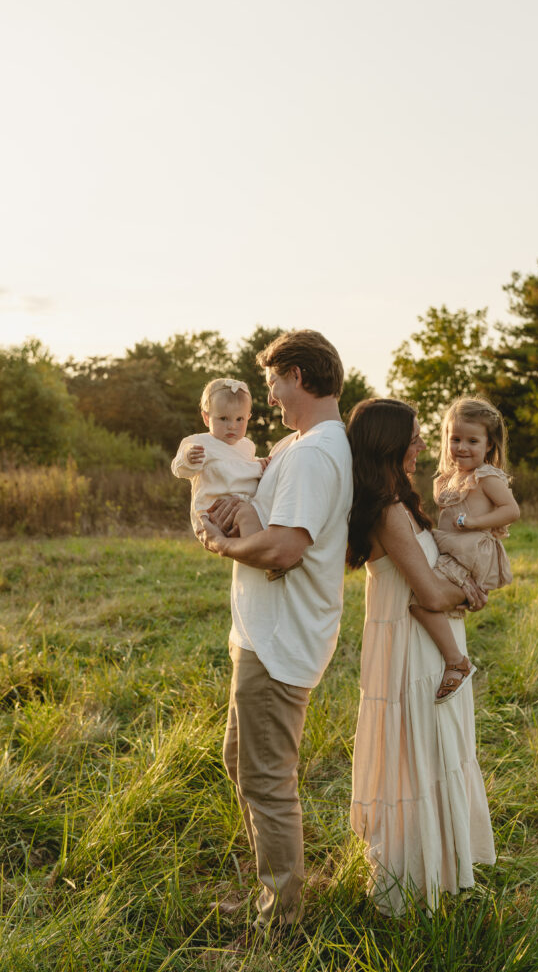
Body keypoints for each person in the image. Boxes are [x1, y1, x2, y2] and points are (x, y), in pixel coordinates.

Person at [197, 330, 353, 935]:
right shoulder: (299, 445)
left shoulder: (315, 452)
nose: (269, 399)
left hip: (283, 638)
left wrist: (226, 545)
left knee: (266, 777)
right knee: (242, 763)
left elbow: (287, 548)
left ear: (297, 375)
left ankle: (280, 917)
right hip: (261, 632)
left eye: (272, 385)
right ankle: (269, 890)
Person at [346, 397, 495, 916]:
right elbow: (429, 595)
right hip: (411, 651)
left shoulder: (400, 501)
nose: (423, 444)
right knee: (418, 759)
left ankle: (440, 872)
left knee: (435, 756)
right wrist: (468, 595)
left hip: (430, 646)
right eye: (412, 437)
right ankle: (410, 885)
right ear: (388, 444)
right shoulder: (385, 512)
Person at [410, 395, 520, 703]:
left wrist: (475, 521)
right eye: (455, 439)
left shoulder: (486, 477)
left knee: (422, 600)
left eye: (473, 441)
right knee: (425, 597)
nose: (462, 447)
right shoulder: (449, 478)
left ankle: (456, 662)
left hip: (471, 551)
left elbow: (511, 510)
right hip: (454, 548)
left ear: (488, 445)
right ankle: (444, 653)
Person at [171, 378, 265, 536]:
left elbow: (242, 469)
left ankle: (271, 548)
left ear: (248, 417)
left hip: (243, 507)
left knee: (261, 514)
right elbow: (179, 469)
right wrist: (187, 458)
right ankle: (259, 551)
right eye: (223, 418)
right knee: (247, 518)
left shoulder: (247, 446)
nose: (232, 426)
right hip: (212, 514)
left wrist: (258, 464)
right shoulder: (201, 443)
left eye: (239, 419)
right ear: (207, 418)